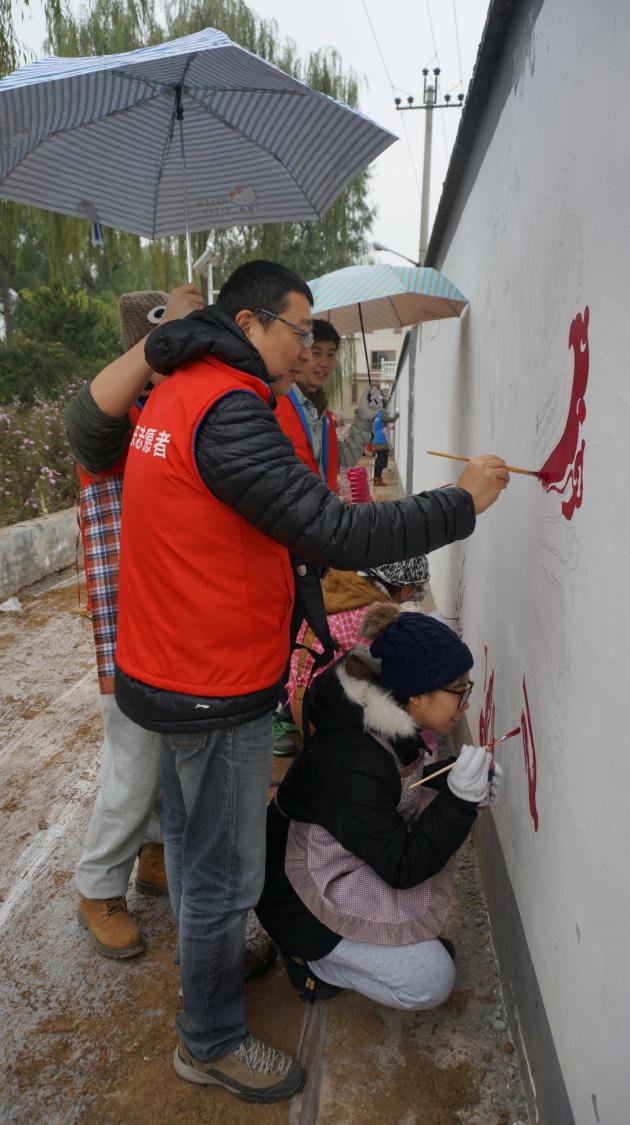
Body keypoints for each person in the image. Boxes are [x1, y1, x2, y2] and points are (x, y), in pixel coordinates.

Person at [113, 258, 509, 1104]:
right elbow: (332, 526)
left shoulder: (177, 386)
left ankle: (208, 960)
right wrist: (462, 502)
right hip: (209, 680)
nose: (307, 348)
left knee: (191, 845)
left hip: (166, 666)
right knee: (222, 870)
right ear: (252, 324)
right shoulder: (226, 405)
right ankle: (211, 1035)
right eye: (299, 328)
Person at [256, 603, 503, 1010]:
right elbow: (403, 867)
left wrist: (457, 778)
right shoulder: (356, 756)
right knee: (431, 979)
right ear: (418, 694)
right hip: (297, 896)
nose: (466, 702)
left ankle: (369, 947)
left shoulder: (384, 717)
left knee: (423, 945)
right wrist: (458, 801)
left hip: (337, 855)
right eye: (460, 690)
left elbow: (399, 789)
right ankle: (312, 962)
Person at [67, 284, 203, 959]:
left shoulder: (163, 408)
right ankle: (97, 881)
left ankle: (152, 852)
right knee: (135, 758)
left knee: (160, 755)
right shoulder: (113, 416)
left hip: (162, 620)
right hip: (125, 624)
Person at [287, 555, 430, 735]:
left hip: (303, 699)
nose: (415, 595)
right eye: (414, 589)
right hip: (320, 720)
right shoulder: (374, 616)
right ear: (404, 588)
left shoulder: (345, 587)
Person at [275, 318, 380, 492]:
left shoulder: (323, 413)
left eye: (331, 354)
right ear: (301, 353)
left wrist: (364, 418)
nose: (324, 363)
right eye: (316, 352)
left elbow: (342, 460)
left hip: (322, 514)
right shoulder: (276, 404)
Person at [372, 399, 400, 485]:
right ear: (384, 406)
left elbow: (378, 427)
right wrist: (397, 414)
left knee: (378, 461)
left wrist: (389, 428)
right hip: (382, 442)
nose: (388, 407)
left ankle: (376, 480)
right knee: (381, 462)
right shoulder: (382, 415)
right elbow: (391, 419)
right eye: (387, 406)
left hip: (376, 441)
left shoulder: (377, 416)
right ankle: (378, 481)